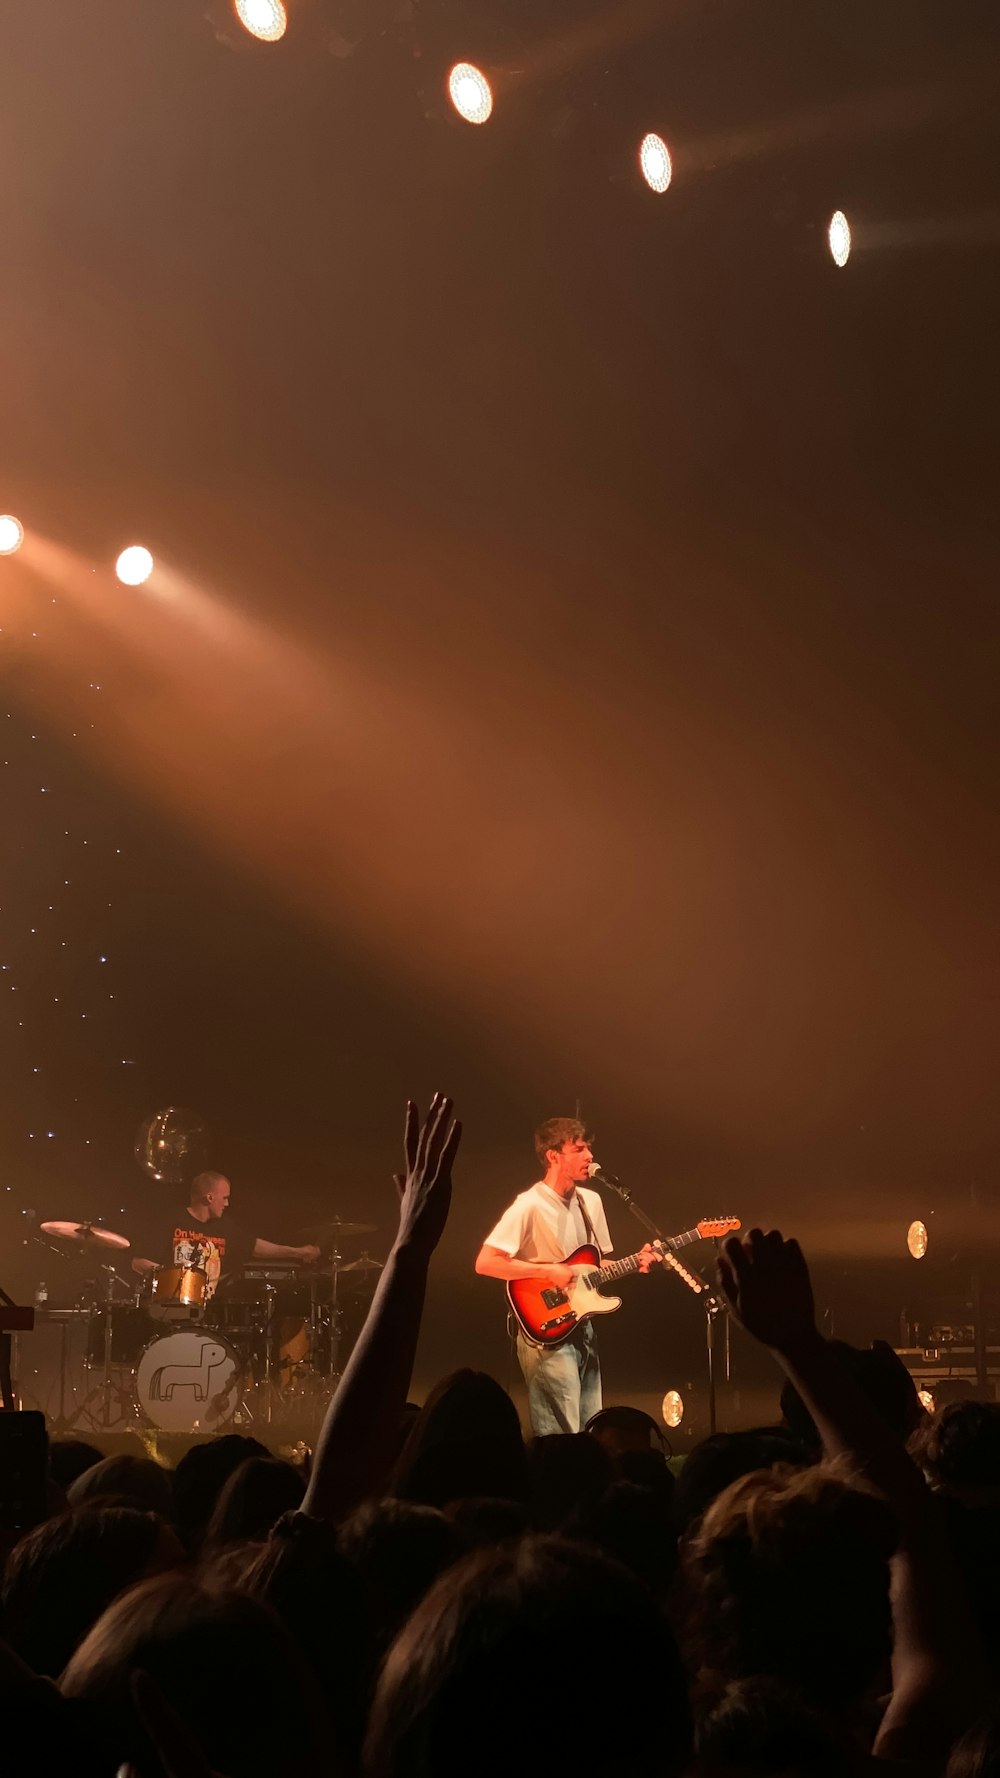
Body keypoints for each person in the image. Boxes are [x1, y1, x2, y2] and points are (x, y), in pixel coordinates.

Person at [474, 1116, 660, 1434]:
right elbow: (486, 1262)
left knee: (591, 1427)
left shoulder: (592, 1201)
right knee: (560, 1435)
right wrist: (546, 1270)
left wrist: (637, 1261)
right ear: (553, 1156)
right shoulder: (529, 1205)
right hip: (545, 1328)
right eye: (579, 1149)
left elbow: (593, 1264)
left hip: (582, 1326)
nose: (590, 1156)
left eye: (589, 1148)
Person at [130, 1170, 319, 1303]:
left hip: (211, 1308)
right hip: (169, 1305)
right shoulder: (172, 1220)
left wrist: (297, 1252)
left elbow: (255, 1246)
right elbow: (138, 1262)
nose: (227, 1203)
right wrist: (173, 1277)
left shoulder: (225, 1227)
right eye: (225, 1197)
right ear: (209, 1198)